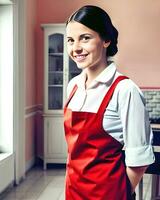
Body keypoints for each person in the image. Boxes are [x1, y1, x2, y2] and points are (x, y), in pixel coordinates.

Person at [63, 5, 155, 200]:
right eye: (70, 40)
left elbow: (139, 159)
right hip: (73, 191)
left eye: (85, 38)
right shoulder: (73, 86)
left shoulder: (125, 90)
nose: (76, 48)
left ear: (106, 40)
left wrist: (117, 193)